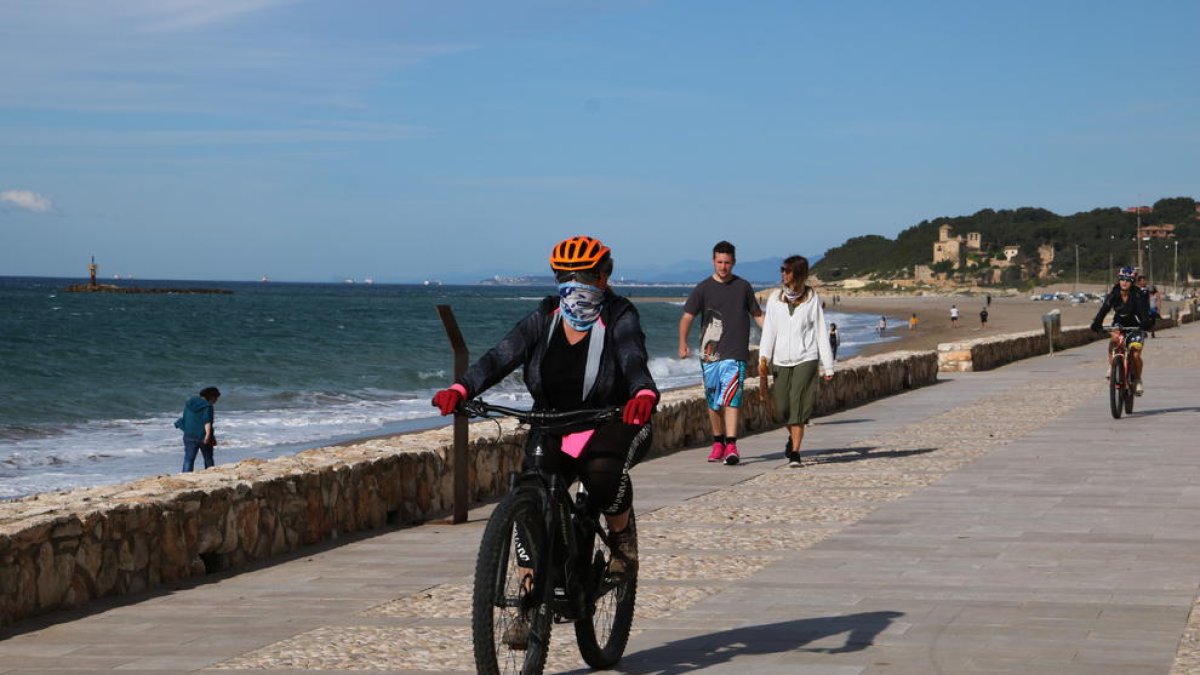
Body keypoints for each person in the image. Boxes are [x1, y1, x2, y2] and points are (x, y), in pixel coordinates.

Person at [430, 235, 656, 596]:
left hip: (612, 418)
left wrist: (642, 392)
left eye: (583, 277)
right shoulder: (544, 316)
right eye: (564, 277)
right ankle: (529, 594)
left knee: (602, 474)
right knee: (529, 490)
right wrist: (461, 389)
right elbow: (501, 355)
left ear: (602, 278)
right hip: (552, 421)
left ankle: (622, 539)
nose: (573, 286)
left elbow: (632, 355)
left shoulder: (619, 314)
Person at [678, 240, 764, 466]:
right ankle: (718, 442)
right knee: (714, 401)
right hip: (710, 355)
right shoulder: (703, 288)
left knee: (732, 398)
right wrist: (682, 343)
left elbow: (757, 315)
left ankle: (732, 445)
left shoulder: (743, 287)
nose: (723, 267)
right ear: (713, 261)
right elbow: (687, 316)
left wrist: (776, 335)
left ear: (733, 262)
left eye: (727, 262)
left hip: (735, 353)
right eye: (719, 262)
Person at [758, 256, 835, 468]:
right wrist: (763, 359)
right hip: (780, 361)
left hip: (806, 359)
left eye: (788, 271)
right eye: (782, 270)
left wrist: (828, 366)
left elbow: (820, 333)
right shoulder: (775, 299)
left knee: (798, 406)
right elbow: (769, 333)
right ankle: (793, 437)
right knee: (782, 409)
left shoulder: (812, 299)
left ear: (798, 274)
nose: (783, 274)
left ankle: (795, 453)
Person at [1091, 266, 1151, 396]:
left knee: (1135, 354)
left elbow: (1143, 312)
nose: (1124, 282)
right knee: (1114, 339)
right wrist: (1097, 323)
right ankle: (1113, 366)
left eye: (1128, 280)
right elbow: (1104, 309)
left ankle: (1138, 379)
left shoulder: (1138, 294)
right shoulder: (1114, 294)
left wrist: (1146, 323)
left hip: (1136, 324)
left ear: (1133, 281)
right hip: (1119, 322)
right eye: (1122, 279)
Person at [175, 387, 220, 472]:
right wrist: (207, 436)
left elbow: (185, 418)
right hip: (202, 435)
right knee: (208, 458)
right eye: (216, 397)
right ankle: (210, 474)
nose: (216, 400)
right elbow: (207, 422)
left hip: (189, 434)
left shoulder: (189, 403)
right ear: (211, 397)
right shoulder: (208, 406)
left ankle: (186, 477)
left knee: (189, 459)